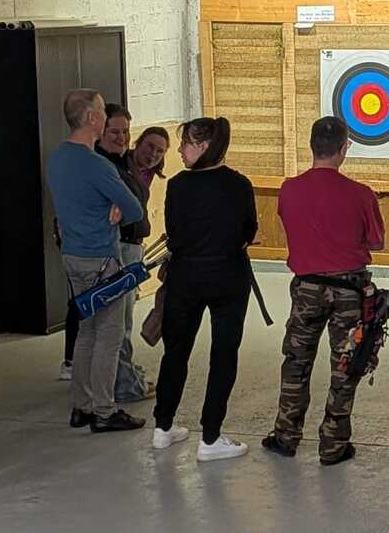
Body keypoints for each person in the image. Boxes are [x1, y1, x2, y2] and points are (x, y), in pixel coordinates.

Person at [261, 116, 385, 466]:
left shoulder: (289, 189)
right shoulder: (361, 194)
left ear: (311, 146)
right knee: (347, 364)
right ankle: (333, 445)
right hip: (349, 291)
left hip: (307, 289)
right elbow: (376, 241)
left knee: (296, 361)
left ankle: (285, 436)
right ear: (344, 148)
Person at [151, 118, 257, 461]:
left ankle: (162, 428)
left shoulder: (178, 185)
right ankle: (210, 438)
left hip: (185, 278)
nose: (180, 150)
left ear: (204, 146)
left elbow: (174, 232)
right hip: (228, 277)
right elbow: (248, 232)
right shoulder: (239, 184)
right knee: (223, 354)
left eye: (186, 143)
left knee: (175, 352)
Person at [46, 89, 148, 433]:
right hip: (101, 259)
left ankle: (82, 404)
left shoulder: (58, 158)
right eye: (103, 111)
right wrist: (116, 207)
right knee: (109, 334)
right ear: (91, 118)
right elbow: (134, 209)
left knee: (86, 331)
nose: (106, 117)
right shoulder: (97, 164)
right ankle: (105, 410)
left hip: (72, 256)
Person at [98, 104, 153, 404]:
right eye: (114, 132)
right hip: (117, 250)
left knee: (121, 320)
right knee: (119, 323)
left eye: (126, 132)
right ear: (100, 131)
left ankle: (124, 376)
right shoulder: (103, 167)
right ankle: (125, 385)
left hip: (129, 248)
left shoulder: (122, 162)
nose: (122, 138)